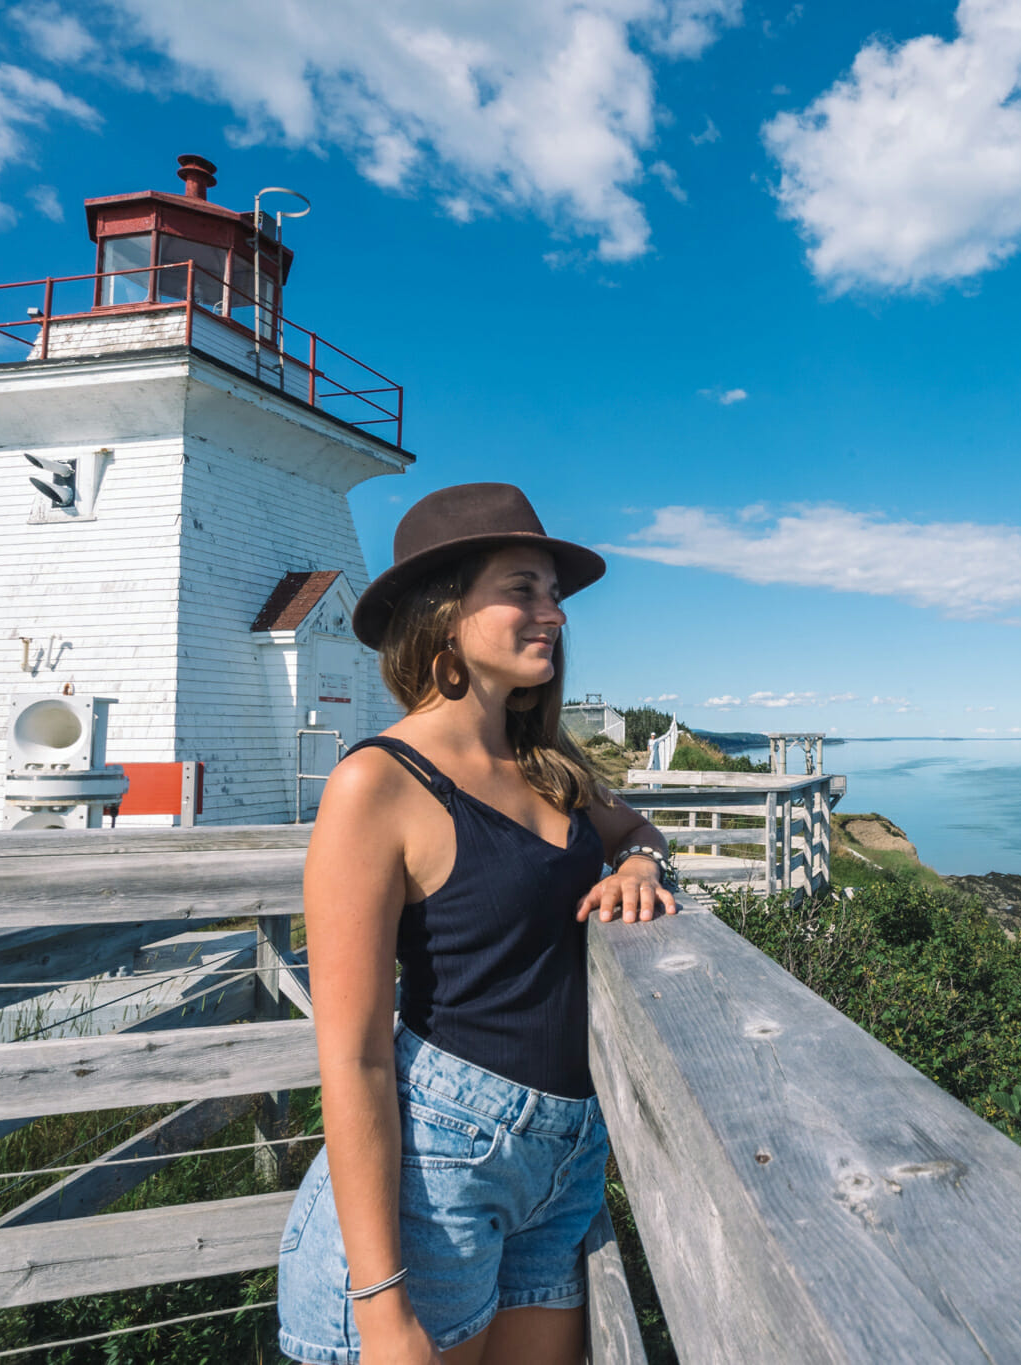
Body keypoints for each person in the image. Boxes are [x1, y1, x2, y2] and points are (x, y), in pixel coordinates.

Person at [277, 483, 677, 1365]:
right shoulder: (376, 785)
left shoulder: (546, 763)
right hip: (438, 1172)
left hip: (565, 1164)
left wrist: (643, 865)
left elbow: (638, 829)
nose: (554, 613)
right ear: (445, 614)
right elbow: (352, 1054)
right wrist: (381, 1304)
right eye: (524, 588)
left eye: (555, 594)